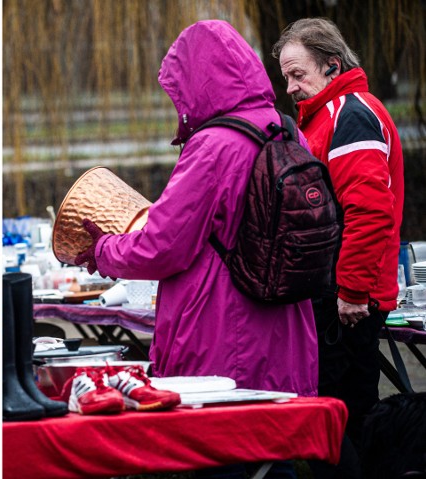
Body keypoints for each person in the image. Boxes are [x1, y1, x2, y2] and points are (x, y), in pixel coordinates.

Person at [75, 20, 317, 478]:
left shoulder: (213, 145)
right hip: (286, 330)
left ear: (197, 81)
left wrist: (104, 249)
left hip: (222, 337)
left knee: (220, 460)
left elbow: (162, 246)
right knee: (270, 459)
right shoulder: (287, 131)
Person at [273, 18, 404, 477]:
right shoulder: (328, 115)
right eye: (286, 76)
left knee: (343, 422)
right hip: (335, 295)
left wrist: (351, 291)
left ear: (331, 65)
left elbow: (369, 211)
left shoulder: (349, 114)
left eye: (297, 74)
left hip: (347, 302)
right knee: (338, 418)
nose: (289, 87)